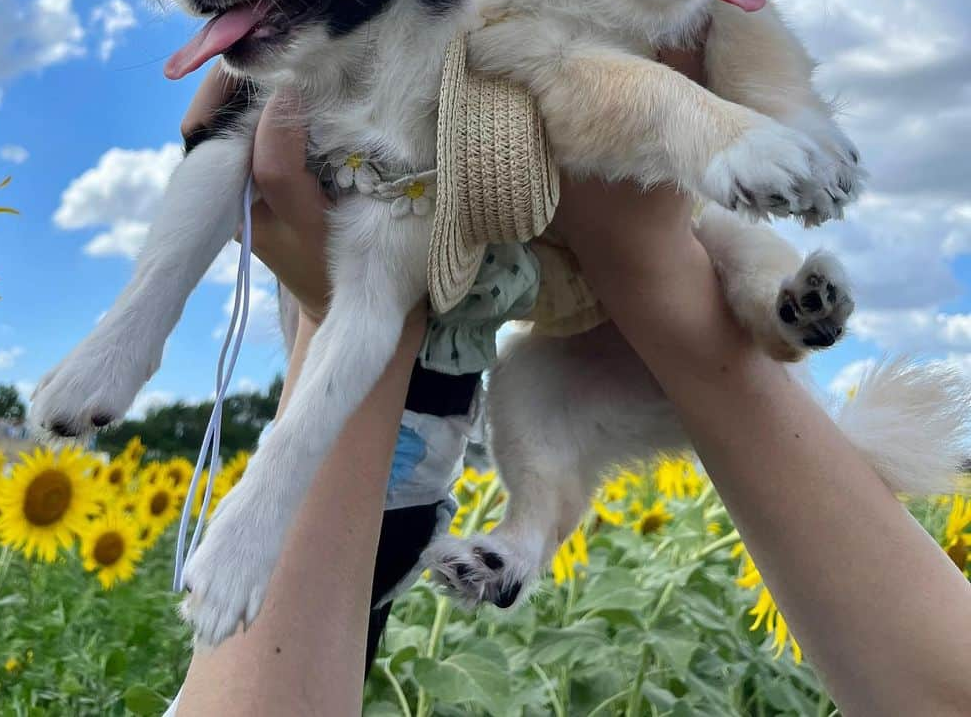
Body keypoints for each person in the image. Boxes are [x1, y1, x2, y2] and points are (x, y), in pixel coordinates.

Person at [172, 57, 971, 717]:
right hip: (548, 295)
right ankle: (527, 538)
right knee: (532, 371)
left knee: (725, 240)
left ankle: (782, 307)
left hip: (643, 257)